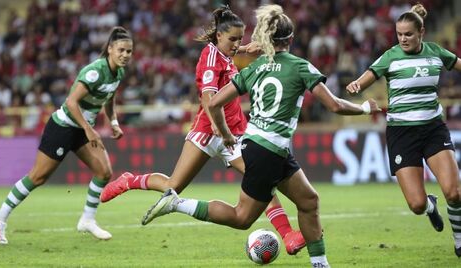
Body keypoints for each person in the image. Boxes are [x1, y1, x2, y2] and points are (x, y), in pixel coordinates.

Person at [140, 4, 379, 267]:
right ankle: (177, 204)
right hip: (269, 150)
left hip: (263, 146)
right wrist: (366, 107)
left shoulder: (254, 68)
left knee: (309, 200)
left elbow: (214, 102)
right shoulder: (300, 67)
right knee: (242, 218)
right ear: (290, 38)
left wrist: (226, 132)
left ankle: (320, 264)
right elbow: (334, 105)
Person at [100, 6, 305, 255]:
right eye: (233, 39)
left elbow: (228, 54)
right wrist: (222, 130)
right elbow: (209, 99)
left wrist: (245, 47)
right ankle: (129, 180)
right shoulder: (209, 58)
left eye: (240, 39)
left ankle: (288, 235)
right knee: (173, 186)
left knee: (258, 180)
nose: (237, 43)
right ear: (219, 36)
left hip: (236, 133)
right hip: (211, 131)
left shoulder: (225, 53)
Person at [0, 26, 133, 244]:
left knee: (104, 172)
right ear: (110, 49)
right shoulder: (94, 72)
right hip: (64, 126)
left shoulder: (119, 73)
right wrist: (89, 129)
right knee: (38, 177)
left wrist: (113, 122)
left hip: (83, 129)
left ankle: (87, 219)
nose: (125, 55)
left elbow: (109, 98)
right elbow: (71, 102)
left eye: (129, 52)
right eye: (121, 50)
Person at [346, 3, 461, 257]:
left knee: (455, 193)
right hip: (401, 134)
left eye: (408, 34)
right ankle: (430, 206)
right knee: (417, 205)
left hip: (433, 129)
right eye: (399, 34)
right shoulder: (391, 56)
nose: (403, 39)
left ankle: (459, 239)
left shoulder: (436, 53)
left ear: (421, 33)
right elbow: (369, 75)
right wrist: (356, 84)